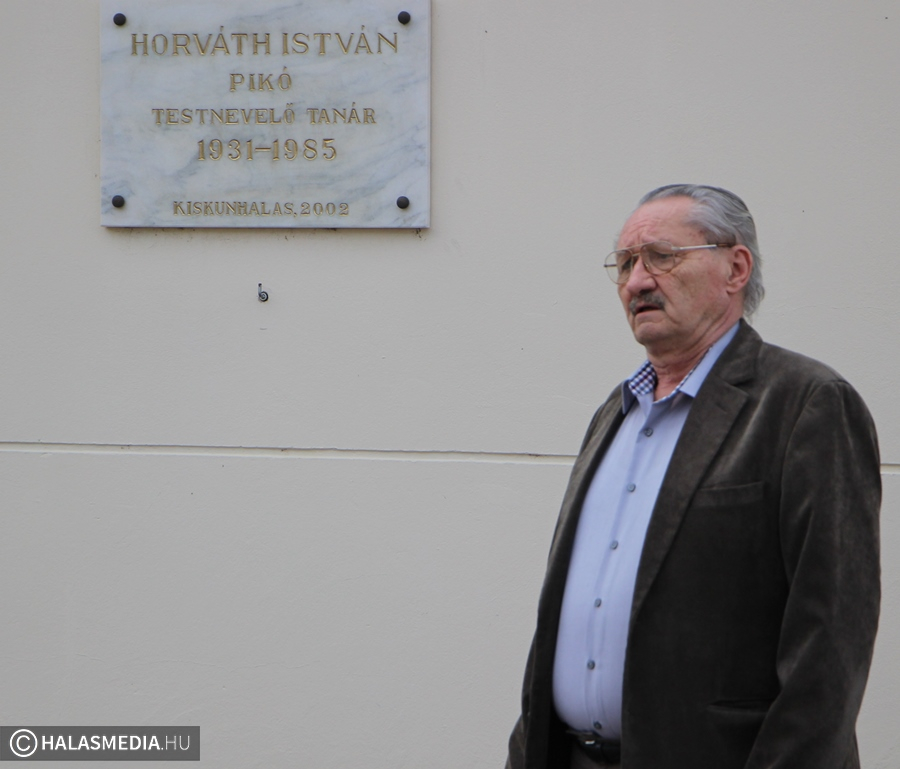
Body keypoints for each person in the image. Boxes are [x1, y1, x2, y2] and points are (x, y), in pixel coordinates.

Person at [505, 184, 881, 769]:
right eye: (625, 263)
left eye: (662, 256)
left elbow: (831, 642)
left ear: (736, 268)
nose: (637, 281)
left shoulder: (805, 404)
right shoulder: (615, 414)